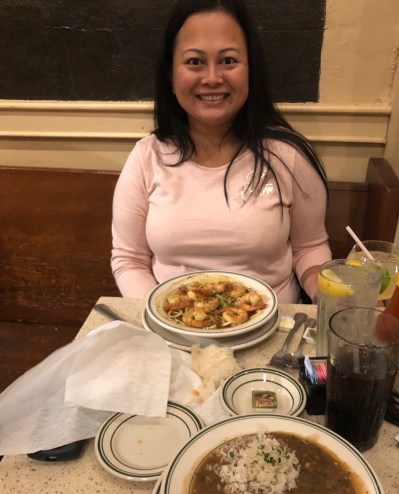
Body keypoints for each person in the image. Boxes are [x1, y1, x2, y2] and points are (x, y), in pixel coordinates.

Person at [111, 0, 331, 304]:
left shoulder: (288, 155)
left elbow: (309, 247)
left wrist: (324, 290)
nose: (212, 78)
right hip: (170, 324)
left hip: (274, 325)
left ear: (250, 70)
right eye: (194, 62)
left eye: (228, 60)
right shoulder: (146, 157)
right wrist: (164, 315)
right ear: (171, 75)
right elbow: (129, 259)